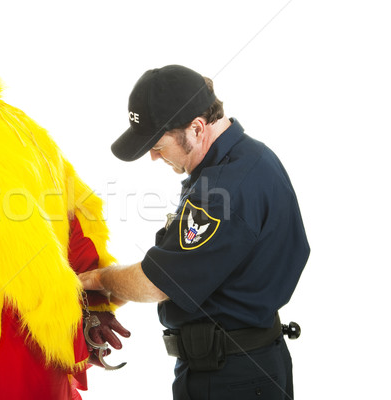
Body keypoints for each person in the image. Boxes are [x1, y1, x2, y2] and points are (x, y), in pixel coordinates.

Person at [79, 65, 309, 400]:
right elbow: (177, 266)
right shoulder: (245, 160)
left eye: (158, 145)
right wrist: (107, 301)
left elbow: (155, 283)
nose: (154, 158)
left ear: (196, 129)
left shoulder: (223, 190)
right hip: (243, 367)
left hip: (231, 378)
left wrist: (96, 281)